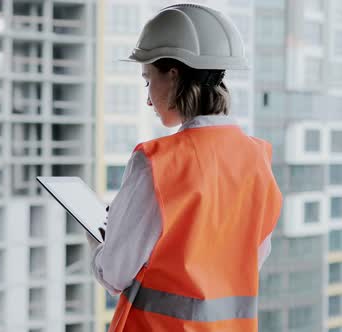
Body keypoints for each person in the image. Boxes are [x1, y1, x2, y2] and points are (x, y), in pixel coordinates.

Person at [86, 4, 283, 332]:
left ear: (173, 75)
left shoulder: (156, 162)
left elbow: (115, 272)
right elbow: (250, 261)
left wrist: (97, 242)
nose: (148, 99)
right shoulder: (258, 161)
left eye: (148, 80)